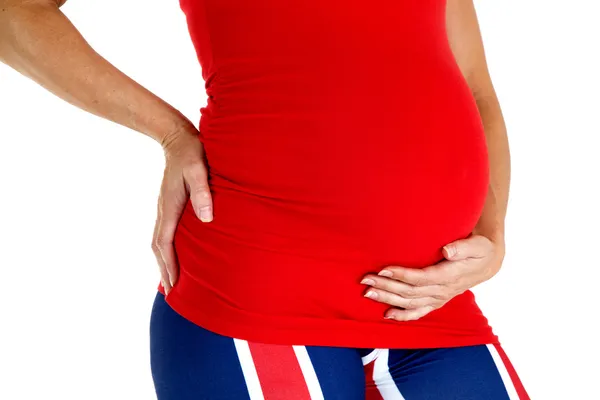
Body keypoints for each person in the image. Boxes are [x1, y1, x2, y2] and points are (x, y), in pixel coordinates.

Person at [0, 0, 531, 398]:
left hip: (431, 302)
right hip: (260, 295)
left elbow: (474, 85)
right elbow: (14, 14)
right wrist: (170, 133)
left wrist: (493, 231)